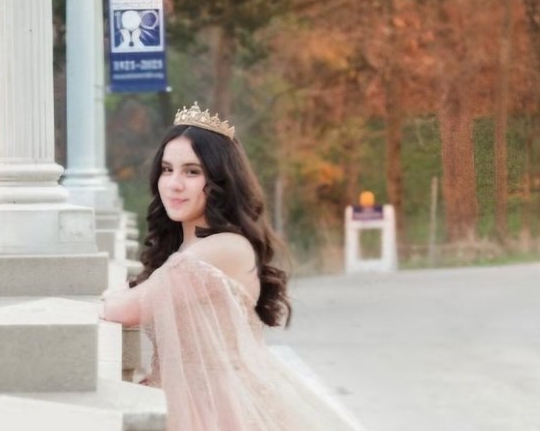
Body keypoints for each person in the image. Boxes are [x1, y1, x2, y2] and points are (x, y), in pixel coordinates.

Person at [101, 103, 364, 431]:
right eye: (167, 170)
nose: (174, 183)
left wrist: (107, 298)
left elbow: (127, 308)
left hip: (220, 408)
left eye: (192, 171)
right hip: (187, 402)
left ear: (220, 181)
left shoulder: (224, 247)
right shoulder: (190, 246)